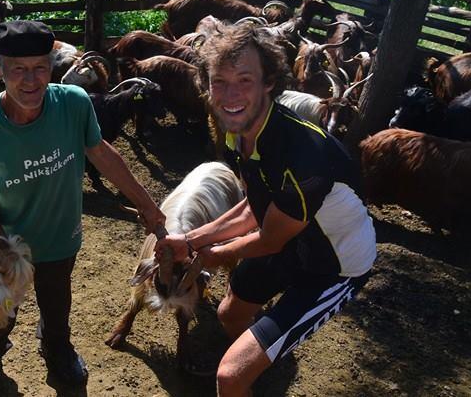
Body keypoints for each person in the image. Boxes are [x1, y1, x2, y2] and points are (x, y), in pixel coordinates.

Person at [156, 22, 376, 396]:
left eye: (244, 79)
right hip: (292, 237)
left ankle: (247, 371)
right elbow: (255, 205)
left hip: (333, 266)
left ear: (269, 82)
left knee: (229, 375)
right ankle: (263, 363)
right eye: (219, 82)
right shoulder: (238, 132)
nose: (230, 94)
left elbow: (270, 238)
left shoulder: (303, 153)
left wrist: (211, 254)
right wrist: (190, 239)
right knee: (229, 315)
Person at [0, 20, 165, 395]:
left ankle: (57, 348)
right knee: (1, 310)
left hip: (59, 237)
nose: (31, 80)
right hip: (10, 241)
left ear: (53, 65)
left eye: (40, 67)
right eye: (17, 69)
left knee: (57, 303)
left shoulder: (73, 103)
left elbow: (100, 152)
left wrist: (148, 206)